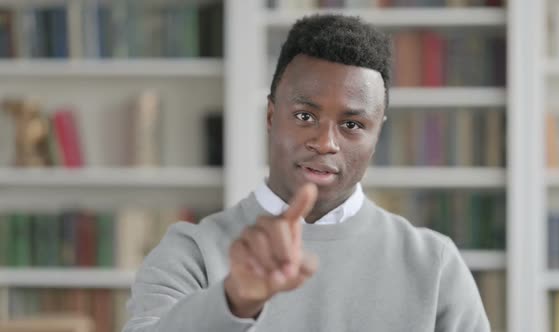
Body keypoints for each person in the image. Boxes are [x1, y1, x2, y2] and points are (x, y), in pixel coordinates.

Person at [123, 14, 490, 332]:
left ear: (377, 135)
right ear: (271, 116)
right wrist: (232, 301)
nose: (325, 141)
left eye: (352, 124)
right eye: (305, 116)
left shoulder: (434, 264)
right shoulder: (193, 252)